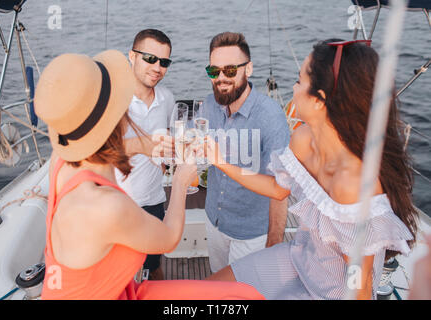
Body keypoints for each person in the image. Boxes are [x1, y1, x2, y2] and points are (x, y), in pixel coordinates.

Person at [35, 49, 264, 300]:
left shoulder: (61, 161)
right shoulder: (106, 207)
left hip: (107, 290)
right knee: (246, 297)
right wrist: (179, 183)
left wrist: (142, 144)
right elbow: (168, 238)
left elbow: (99, 151)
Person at [204, 39, 418, 300]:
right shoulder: (303, 139)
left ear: (319, 101)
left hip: (334, 291)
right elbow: (277, 189)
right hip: (299, 257)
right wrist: (220, 162)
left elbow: (359, 282)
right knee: (209, 291)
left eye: (298, 81)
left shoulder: (352, 183)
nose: (293, 88)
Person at [201, 32, 290, 273]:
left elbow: (281, 187)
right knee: (219, 285)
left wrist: (274, 240)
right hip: (214, 221)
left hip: (251, 234)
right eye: (214, 71)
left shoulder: (271, 117)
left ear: (248, 69)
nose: (221, 78)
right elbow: (193, 140)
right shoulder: (209, 105)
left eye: (230, 70)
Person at [115, 29, 176, 281]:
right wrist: (142, 145)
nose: (157, 67)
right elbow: (95, 152)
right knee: (119, 275)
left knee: (153, 267)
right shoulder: (113, 99)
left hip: (153, 201)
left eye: (164, 62)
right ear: (132, 55)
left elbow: (169, 140)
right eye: (150, 58)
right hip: (117, 203)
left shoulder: (167, 98)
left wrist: (168, 161)